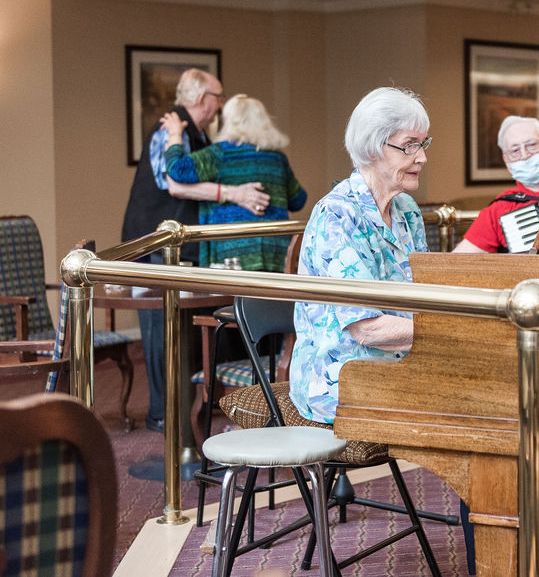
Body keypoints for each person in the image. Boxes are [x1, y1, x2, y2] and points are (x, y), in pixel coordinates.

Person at [120, 68, 270, 433]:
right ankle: (162, 414)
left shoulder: (198, 134)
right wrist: (234, 194)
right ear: (203, 99)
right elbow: (175, 184)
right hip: (154, 243)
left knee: (184, 328)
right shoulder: (168, 132)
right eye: (218, 96)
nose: (220, 103)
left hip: (182, 245)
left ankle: (188, 407)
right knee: (161, 329)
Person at [291, 87, 431, 424]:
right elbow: (367, 330)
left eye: (423, 144)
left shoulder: (406, 209)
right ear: (372, 147)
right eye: (409, 145)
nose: (422, 157)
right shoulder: (337, 216)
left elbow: (427, 295)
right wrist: (452, 329)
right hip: (340, 378)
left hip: (402, 363)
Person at [161, 94, 307, 271]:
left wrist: (175, 134)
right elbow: (298, 200)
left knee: (235, 299)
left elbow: (178, 169)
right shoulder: (277, 159)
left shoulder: (220, 154)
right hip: (276, 251)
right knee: (272, 298)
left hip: (232, 251)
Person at [452, 115, 539, 253]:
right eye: (515, 151)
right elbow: (457, 262)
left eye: (532, 145)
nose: (525, 155)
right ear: (507, 162)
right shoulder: (498, 211)